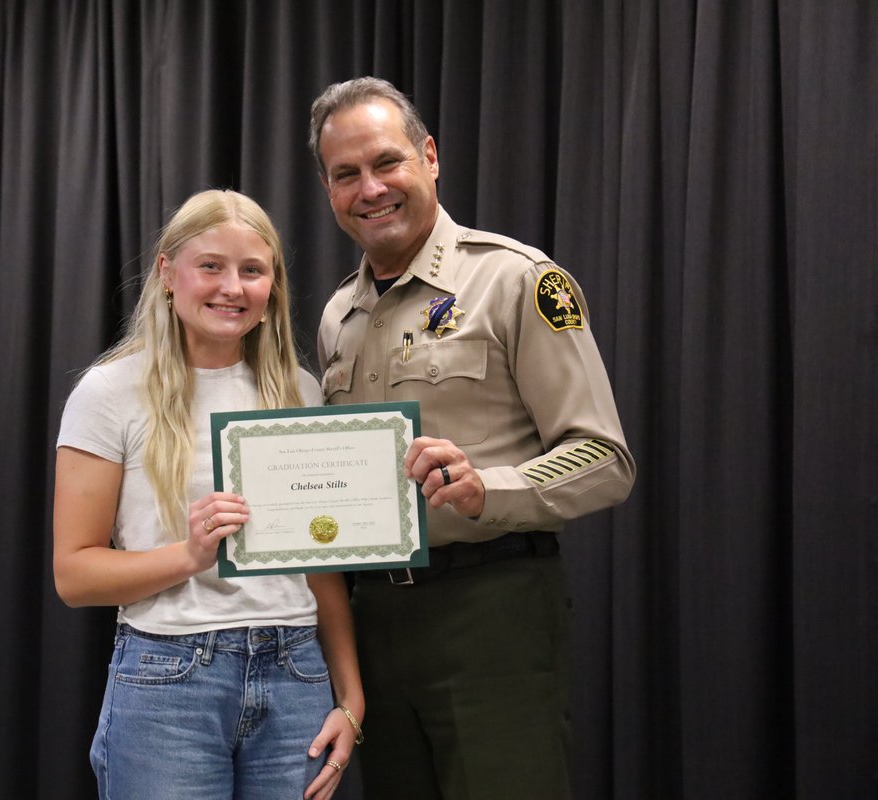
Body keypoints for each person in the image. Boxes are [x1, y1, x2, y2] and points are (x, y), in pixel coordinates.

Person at [308, 77, 636, 799]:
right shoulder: (340, 315)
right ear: (328, 189)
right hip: (376, 622)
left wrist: (493, 488)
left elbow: (606, 459)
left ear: (429, 157)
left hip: (492, 610)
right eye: (346, 175)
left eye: (386, 162)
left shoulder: (517, 281)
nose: (370, 188)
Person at [53, 189, 364, 800]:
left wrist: (349, 697)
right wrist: (189, 556)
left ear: (273, 286)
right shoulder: (109, 392)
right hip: (170, 678)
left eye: (252, 270)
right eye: (211, 266)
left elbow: (321, 564)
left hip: (296, 675)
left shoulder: (299, 392)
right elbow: (74, 574)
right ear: (167, 272)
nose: (232, 287)